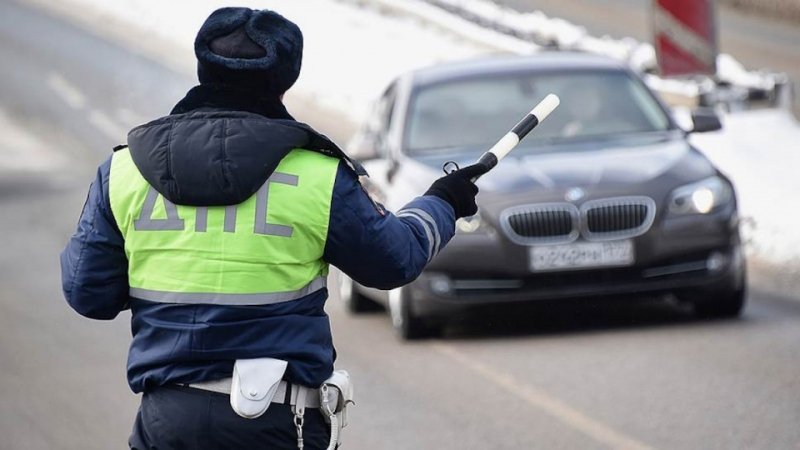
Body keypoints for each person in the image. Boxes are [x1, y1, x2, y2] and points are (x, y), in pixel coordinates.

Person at [60, 7, 484, 450]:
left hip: (168, 422)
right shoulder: (316, 175)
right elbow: (393, 261)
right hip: (277, 423)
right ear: (285, 80)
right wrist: (442, 202)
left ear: (204, 67)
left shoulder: (123, 172)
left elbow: (89, 294)